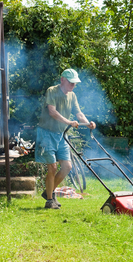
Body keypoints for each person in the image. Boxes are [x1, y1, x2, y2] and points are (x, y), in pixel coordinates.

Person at [35, 68, 96, 209]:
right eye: (71, 83)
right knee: (52, 167)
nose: (73, 86)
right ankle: (50, 200)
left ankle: (48, 192)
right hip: (47, 133)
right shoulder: (52, 91)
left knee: (67, 166)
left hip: (61, 135)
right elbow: (52, 111)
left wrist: (88, 124)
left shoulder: (72, 96)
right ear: (62, 79)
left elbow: (79, 114)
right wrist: (69, 122)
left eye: (75, 83)